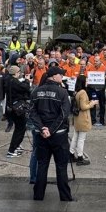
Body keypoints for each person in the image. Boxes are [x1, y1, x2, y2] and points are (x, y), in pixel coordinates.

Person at [29, 65, 75, 201]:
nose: (62, 77)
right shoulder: (62, 92)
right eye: (60, 75)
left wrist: (42, 128)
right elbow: (64, 114)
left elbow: (32, 112)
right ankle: (65, 196)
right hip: (58, 134)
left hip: (41, 134)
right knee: (61, 166)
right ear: (54, 76)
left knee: (42, 165)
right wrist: (51, 129)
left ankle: (38, 195)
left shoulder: (37, 91)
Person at [4, 65, 31, 157]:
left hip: (10, 108)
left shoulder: (8, 80)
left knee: (20, 128)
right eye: (19, 72)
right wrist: (27, 80)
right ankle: (11, 150)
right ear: (16, 73)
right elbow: (26, 88)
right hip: (17, 109)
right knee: (20, 129)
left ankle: (17, 145)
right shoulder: (15, 82)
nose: (20, 73)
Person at [70, 74, 95, 165]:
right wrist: (92, 103)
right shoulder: (83, 92)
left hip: (77, 117)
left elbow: (80, 104)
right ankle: (80, 157)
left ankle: (71, 154)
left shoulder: (77, 92)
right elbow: (83, 107)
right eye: (86, 80)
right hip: (83, 117)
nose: (87, 82)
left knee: (75, 137)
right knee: (81, 139)